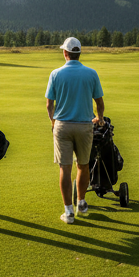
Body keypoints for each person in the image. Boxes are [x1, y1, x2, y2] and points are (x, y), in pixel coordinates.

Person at [45, 36, 104, 224]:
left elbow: (49, 105)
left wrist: (53, 122)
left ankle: (68, 212)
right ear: (79, 53)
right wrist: (100, 118)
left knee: (65, 168)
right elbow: (100, 103)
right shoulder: (91, 73)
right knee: (83, 165)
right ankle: (82, 202)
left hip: (62, 125)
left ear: (65, 53)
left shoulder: (55, 74)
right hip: (85, 125)